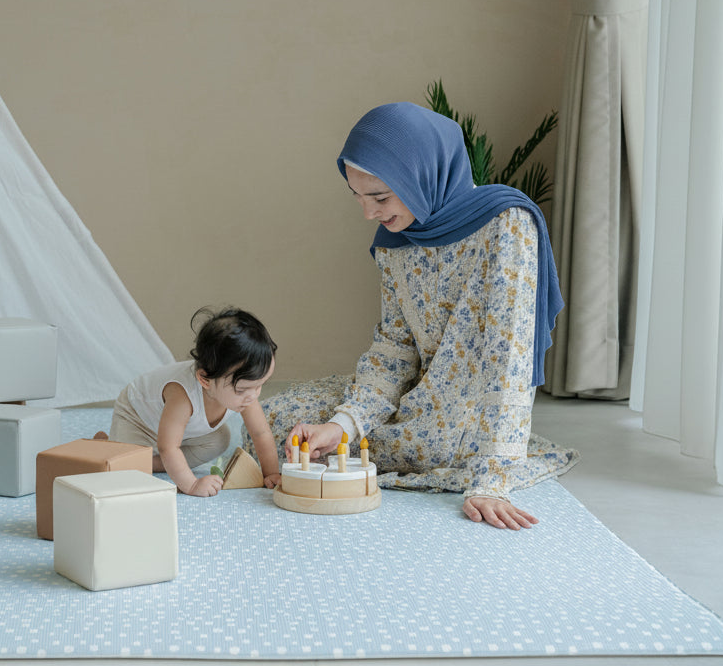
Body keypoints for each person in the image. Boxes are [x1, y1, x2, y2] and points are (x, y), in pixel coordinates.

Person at [251, 102, 577, 528]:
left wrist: (491, 479)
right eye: (359, 197)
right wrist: (343, 425)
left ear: (421, 175)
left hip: (465, 413)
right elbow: (394, 350)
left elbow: (509, 356)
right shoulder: (396, 239)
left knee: (425, 445)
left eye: (380, 196)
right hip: (413, 398)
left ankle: (480, 454)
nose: (369, 213)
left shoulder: (506, 223)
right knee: (281, 422)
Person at [110, 307, 283, 496]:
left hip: (176, 431)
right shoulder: (182, 396)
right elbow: (168, 446)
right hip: (137, 419)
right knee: (120, 469)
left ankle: (152, 462)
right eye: (242, 389)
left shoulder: (246, 394)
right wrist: (191, 485)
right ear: (205, 379)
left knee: (220, 440)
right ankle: (108, 446)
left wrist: (272, 473)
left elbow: (260, 433)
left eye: (260, 385)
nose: (252, 395)